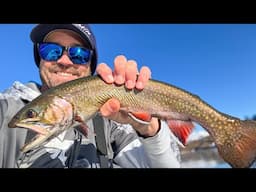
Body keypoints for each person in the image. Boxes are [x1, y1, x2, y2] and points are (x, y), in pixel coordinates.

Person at [0, 24, 181, 168]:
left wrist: (150, 130)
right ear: (39, 58)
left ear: (91, 64)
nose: (64, 61)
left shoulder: (114, 124)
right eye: (51, 51)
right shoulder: (4, 108)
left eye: (79, 54)